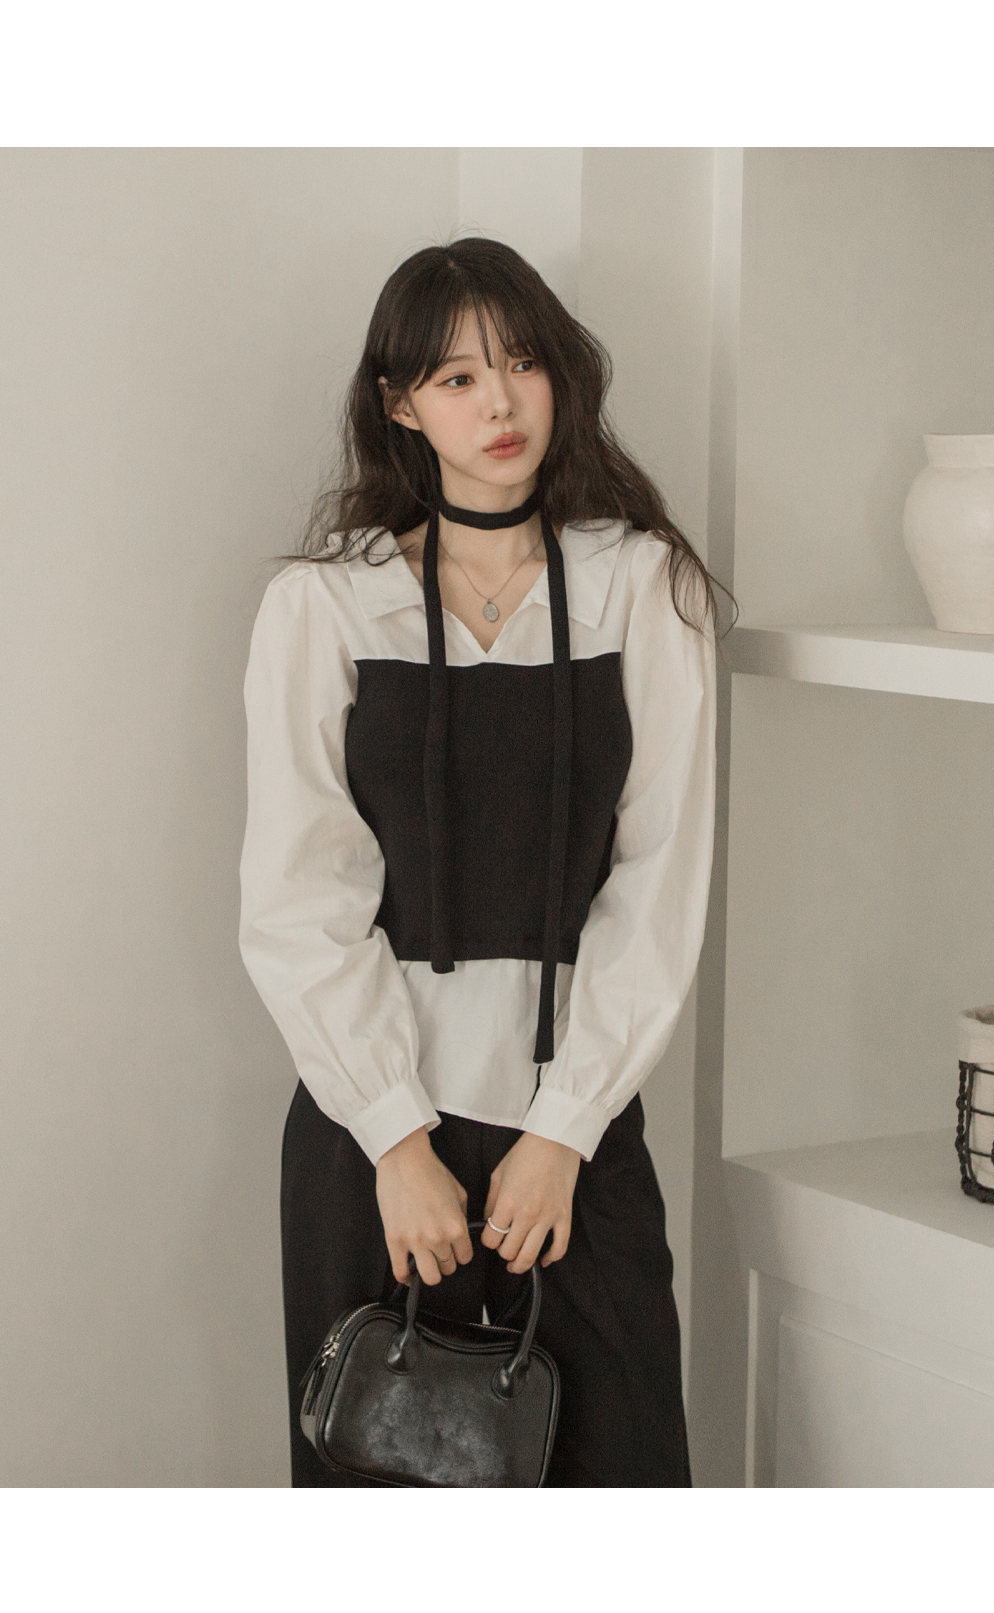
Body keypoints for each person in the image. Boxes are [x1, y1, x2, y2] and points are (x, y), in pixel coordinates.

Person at [238, 236, 734, 1487]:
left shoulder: (643, 586)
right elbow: (299, 895)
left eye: (521, 362)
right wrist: (394, 1140)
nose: (500, 402)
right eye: (456, 378)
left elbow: (659, 879)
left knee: (620, 1475)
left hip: (572, 1133)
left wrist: (563, 1130)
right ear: (400, 405)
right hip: (372, 1144)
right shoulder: (324, 604)